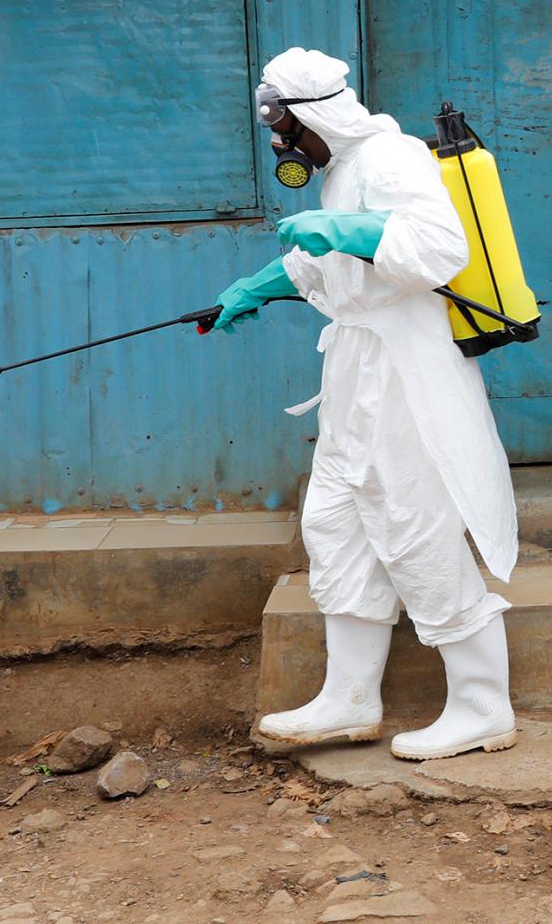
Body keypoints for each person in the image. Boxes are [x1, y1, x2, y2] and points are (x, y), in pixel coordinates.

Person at [211, 48, 520, 761]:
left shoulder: (392, 157)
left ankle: (482, 705)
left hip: (406, 376)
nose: (285, 146)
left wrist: (350, 231)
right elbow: (324, 262)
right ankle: (348, 697)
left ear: (317, 114)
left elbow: (437, 248)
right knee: (336, 522)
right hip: (357, 371)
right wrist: (258, 284)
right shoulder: (344, 170)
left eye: (288, 128)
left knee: (417, 530)